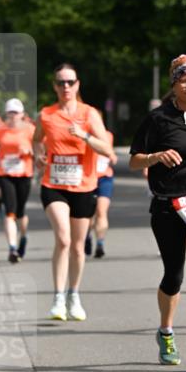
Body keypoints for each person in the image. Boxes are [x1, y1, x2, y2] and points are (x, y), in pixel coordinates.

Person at [129, 54, 186, 369]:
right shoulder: (157, 119)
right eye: (184, 81)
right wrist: (156, 156)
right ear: (174, 85)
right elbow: (134, 160)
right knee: (174, 274)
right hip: (168, 205)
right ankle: (166, 332)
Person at [33, 63, 113, 321]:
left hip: (84, 186)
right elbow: (36, 140)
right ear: (54, 86)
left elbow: (107, 150)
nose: (65, 86)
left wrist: (84, 136)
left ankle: (73, 295)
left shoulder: (89, 114)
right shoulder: (46, 114)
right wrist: (38, 155)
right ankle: (58, 298)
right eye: (60, 82)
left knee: (78, 247)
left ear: (77, 85)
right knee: (63, 239)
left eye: (70, 82)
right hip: (53, 185)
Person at [0, 98, 35, 263]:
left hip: (24, 174)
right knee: (9, 212)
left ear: (22, 114)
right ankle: (12, 247)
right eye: (10, 112)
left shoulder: (30, 130)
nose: (13, 116)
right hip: (6, 174)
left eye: (16, 113)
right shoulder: (0, 130)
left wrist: (29, 150)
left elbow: (40, 150)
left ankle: (23, 236)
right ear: (6, 114)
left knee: (20, 213)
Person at [85, 125, 118, 259]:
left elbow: (109, 152)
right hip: (87, 178)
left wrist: (112, 156)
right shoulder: (83, 135)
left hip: (105, 178)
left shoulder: (108, 135)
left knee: (101, 211)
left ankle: (100, 243)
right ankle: (87, 235)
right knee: (87, 214)